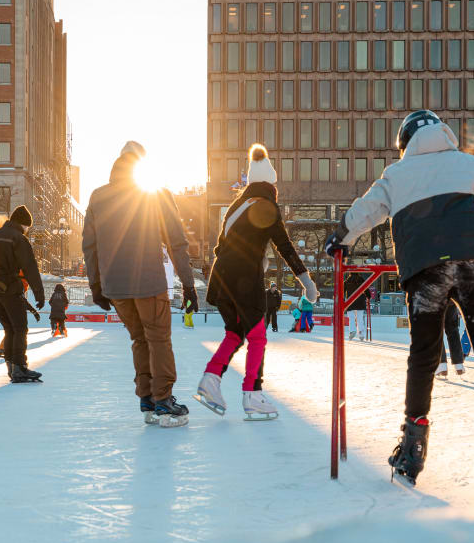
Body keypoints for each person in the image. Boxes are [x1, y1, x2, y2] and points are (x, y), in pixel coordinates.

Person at [324, 110, 474, 484]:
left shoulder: (395, 175)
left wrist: (340, 238)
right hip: (472, 260)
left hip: (425, 267)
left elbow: (366, 211)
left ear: (405, 143)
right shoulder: (469, 163)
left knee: (424, 355)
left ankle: (413, 450)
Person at [197, 145, 318, 420]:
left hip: (221, 279)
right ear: (270, 184)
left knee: (235, 334)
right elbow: (285, 247)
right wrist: (306, 282)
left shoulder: (236, 206)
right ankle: (252, 393)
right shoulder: (266, 205)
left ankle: (211, 379)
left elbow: (220, 248)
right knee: (258, 337)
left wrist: (253, 257)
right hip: (243, 280)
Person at [82, 141, 196, 426]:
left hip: (116, 286)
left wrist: (96, 286)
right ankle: (163, 401)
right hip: (147, 281)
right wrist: (189, 285)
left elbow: (90, 246)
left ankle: (147, 397)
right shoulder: (155, 193)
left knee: (139, 339)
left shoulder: (98, 196)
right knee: (158, 339)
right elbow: (176, 243)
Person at [0, 206, 45, 383]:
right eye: (27, 227)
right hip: (8, 288)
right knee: (20, 328)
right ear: (23, 224)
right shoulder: (18, 238)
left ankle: (11, 367)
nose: (27, 230)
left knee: (9, 329)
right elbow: (30, 267)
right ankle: (19, 368)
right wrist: (39, 293)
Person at [436, 302, 465, 378]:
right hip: (451, 300)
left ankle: (442, 364)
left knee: (436, 331)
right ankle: (459, 365)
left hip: (435, 299)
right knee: (453, 331)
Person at [345, 272, 371, 340]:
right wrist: (368, 296)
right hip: (360, 301)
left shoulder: (347, 281)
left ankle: (352, 331)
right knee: (360, 318)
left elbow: (342, 291)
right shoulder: (361, 280)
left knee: (351, 317)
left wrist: (342, 299)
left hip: (350, 301)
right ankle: (361, 333)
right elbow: (366, 290)